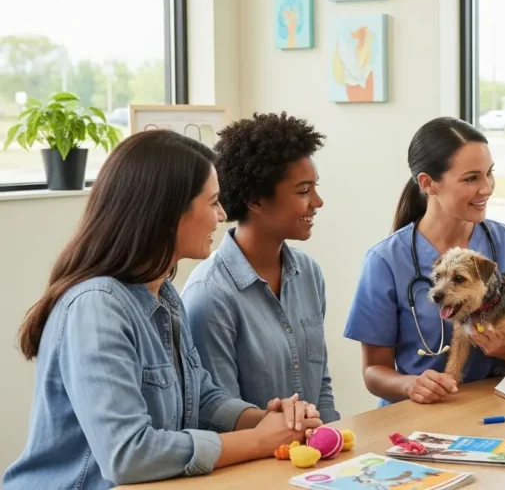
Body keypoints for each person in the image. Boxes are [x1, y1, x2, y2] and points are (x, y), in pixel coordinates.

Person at [2, 130, 322, 490]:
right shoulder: (96, 307)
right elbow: (127, 455)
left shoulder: (165, 295)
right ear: (169, 212)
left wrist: (267, 421)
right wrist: (260, 441)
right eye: (212, 202)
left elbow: (200, 396)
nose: (221, 216)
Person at [344, 117, 505, 406]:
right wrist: (411, 385)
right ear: (428, 183)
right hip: (419, 413)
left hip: (500, 406)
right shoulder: (385, 260)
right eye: (471, 178)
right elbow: (374, 371)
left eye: (489, 173)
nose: (486, 188)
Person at [182, 112, 339, 423]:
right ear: (255, 199)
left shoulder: (309, 273)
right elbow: (218, 414)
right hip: (254, 463)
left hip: (312, 459)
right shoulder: (209, 295)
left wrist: (332, 441)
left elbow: (321, 384)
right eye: (303, 191)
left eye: (315, 188)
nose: (317, 202)